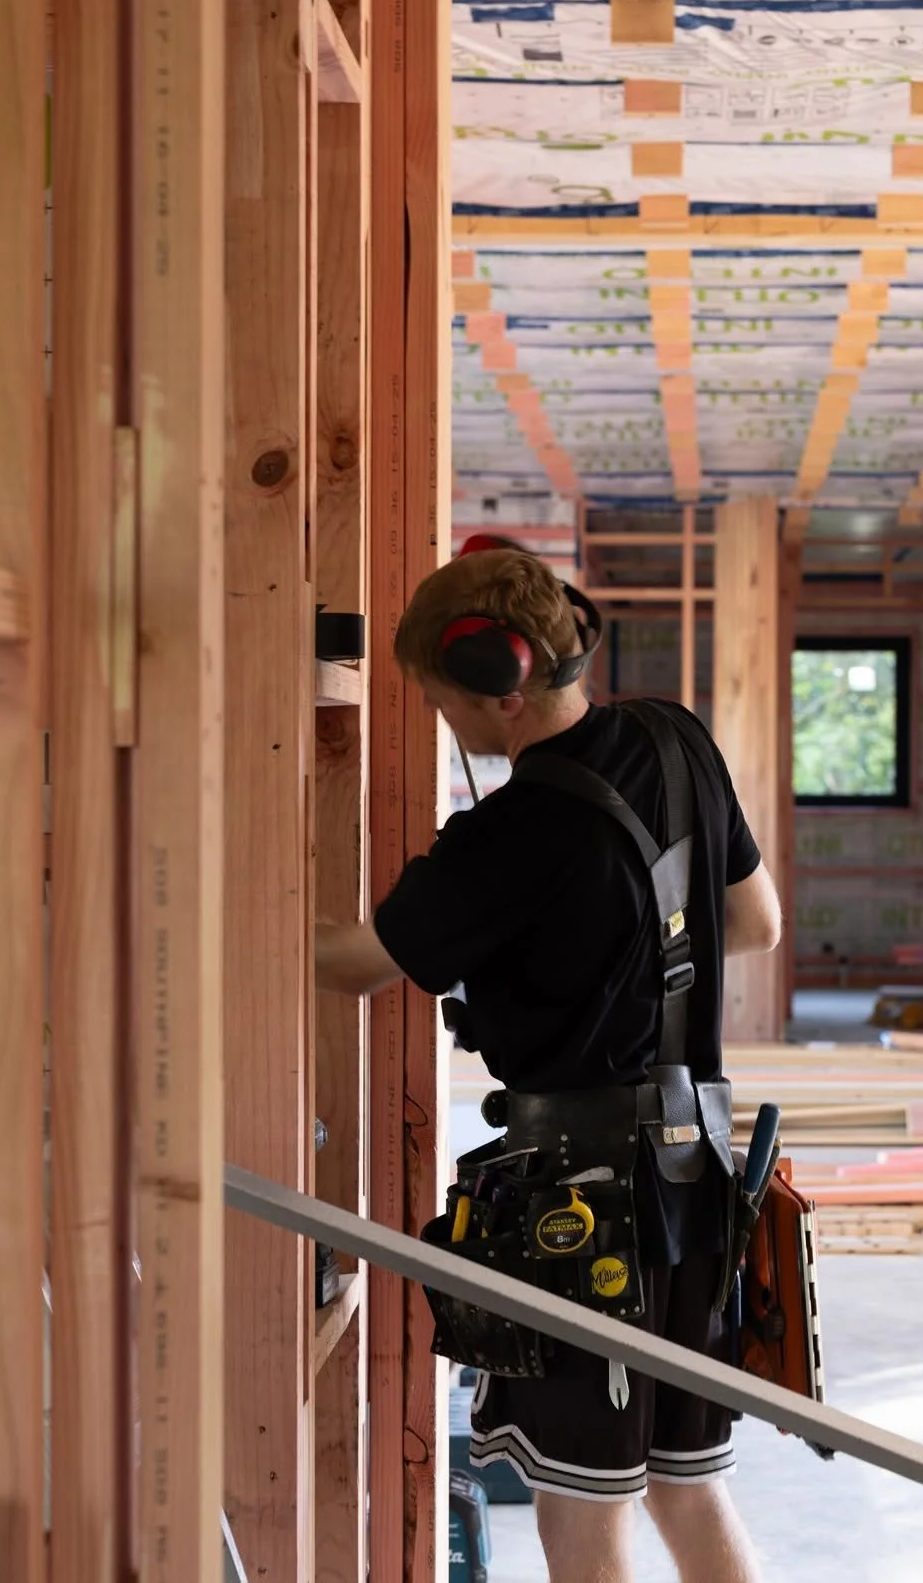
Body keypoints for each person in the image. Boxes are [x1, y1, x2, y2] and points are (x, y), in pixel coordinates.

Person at [315, 537, 781, 1583]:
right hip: (698, 1179)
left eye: (443, 701)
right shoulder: (677, 741)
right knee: (685, 1481)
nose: (447, 724)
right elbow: (753, 923)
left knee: (582, 1510)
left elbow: (353, 968)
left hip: (580, 1207)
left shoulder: (510, 834)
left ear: (500, 686)